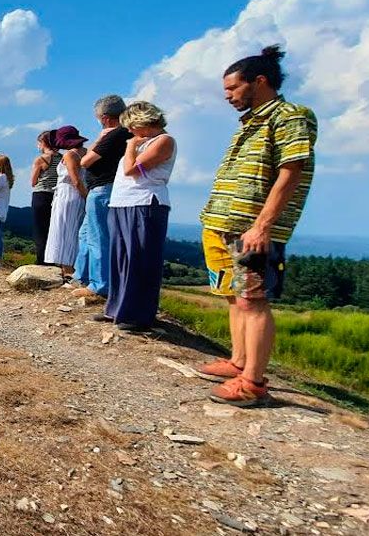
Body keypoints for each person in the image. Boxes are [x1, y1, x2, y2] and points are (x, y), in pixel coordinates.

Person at [194, 46, 317, 407]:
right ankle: (238, 361)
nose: (228, 96)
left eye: (233, 88)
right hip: (222, 221)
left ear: (259, 81)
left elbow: (291, 170)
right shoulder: (250, 122)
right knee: (234, 296)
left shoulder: (291, 116)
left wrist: (263, 225)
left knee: (253, 300)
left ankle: (253, 382)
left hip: (251, 227)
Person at [105, 101, 176, 331]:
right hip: (123, 202)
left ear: (142, 123)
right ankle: (117, 308)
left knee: (141, 258)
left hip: (146, 202)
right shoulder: (141, 141)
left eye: (131, 126)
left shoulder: (164, 141)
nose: (129, 132)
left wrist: (131, 147)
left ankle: (139, 315)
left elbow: (131, 170)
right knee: (121, 258)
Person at [72, 95, 132, 301]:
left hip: (103, 189)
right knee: (86, 234)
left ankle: (100, 285)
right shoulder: (124, 133)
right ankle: (82, 276)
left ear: (105, 118)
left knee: (98, 237)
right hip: (103, 189)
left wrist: (100, 137)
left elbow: (86, 161)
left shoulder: (116, 134)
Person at [44, 126, 89, 277]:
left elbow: (75, 180)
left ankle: (68, 271)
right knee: (74, 232)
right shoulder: (86, 153)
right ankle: (73, 269)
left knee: (64, 231)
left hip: (67, 195)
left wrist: (85, 197)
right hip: (78, 196)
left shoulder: (70, 155)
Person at [30, 131, 61, 265]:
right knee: (52, 228)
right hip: (56, 195)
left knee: (40, 229)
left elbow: (33, 181)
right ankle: (53, 259)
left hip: (41, 194)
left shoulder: (41, 159)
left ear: (43, 143)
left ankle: (41, 259)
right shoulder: (62, 157)